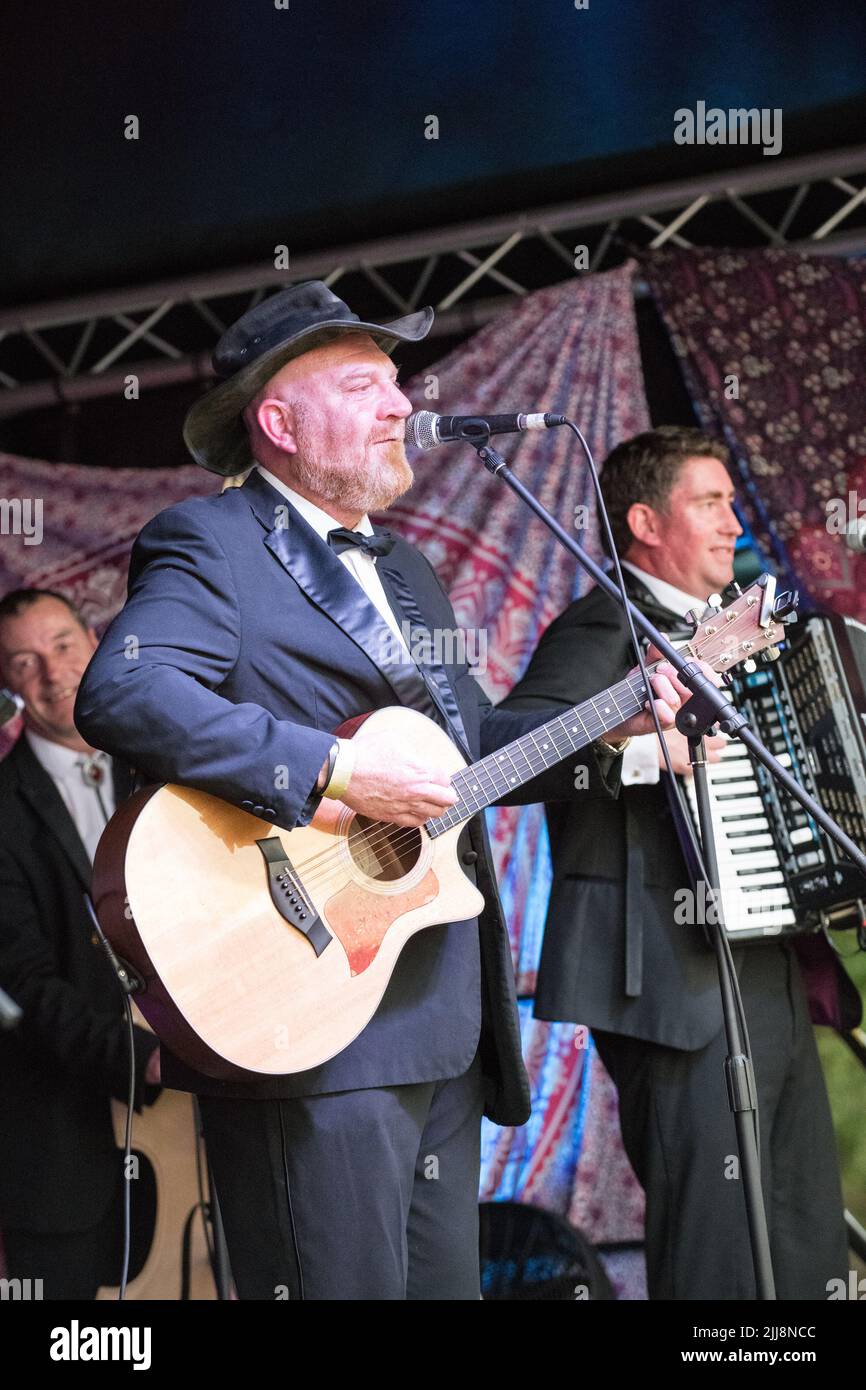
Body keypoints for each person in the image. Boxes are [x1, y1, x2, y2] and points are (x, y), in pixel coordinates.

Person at [73, 282, 688, 1300]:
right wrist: (332, 769)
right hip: (303, 1014)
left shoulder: (405, 570)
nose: (401, 403)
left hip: (434, 1012)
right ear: (275, 423)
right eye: (364, 384)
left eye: (397, 382)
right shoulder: (211, 542)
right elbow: (126, 689)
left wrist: (613, 718)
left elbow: (469, 753)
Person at [499, 425, 860, 1300]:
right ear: (645, 523)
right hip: (666, 978)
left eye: (733, 503)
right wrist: (638, 748)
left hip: (765, 962)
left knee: (802, 1225)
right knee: (716, 1247)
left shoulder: (743, 627)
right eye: (710, 502)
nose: (734, 522)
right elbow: (503, 750)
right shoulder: (600, 626)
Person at [0, 588, 161, 1299]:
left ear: (94, 642)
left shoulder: (168, 767)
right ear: (7, 684)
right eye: (24, 662)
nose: (53, 672)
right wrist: (144, 1063)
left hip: (209, 1133)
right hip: (62, 1150)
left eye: (63, 645)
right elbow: (21, 984)